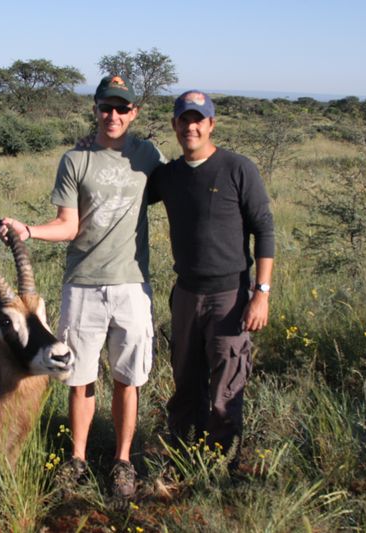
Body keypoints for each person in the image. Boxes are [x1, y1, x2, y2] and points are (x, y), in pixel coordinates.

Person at [0, 75, 164, 498]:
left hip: (132, 284)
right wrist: (28, 230)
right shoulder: (75, 160)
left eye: (121, 108)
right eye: (106, 107)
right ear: (96, 109)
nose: (113, 115)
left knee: (128, 378)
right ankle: (78, 459)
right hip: (83, 285)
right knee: (79, 378)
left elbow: (180, 191)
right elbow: (68, 225)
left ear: (134, 113)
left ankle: (123, 462)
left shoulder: (148, 156)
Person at [147, 90, 275, 464]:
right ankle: (183, 459)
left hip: (229, 297)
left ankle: (222, 467)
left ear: (211, 124)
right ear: (174, 125)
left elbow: (264, 230)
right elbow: (126, 191)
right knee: (185, 385)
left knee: (226, 391)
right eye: (184, 120)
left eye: (198, 120)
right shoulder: (169, 176)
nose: (191, 127)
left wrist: (261, 293)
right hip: (186, 294)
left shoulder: (237, 168)